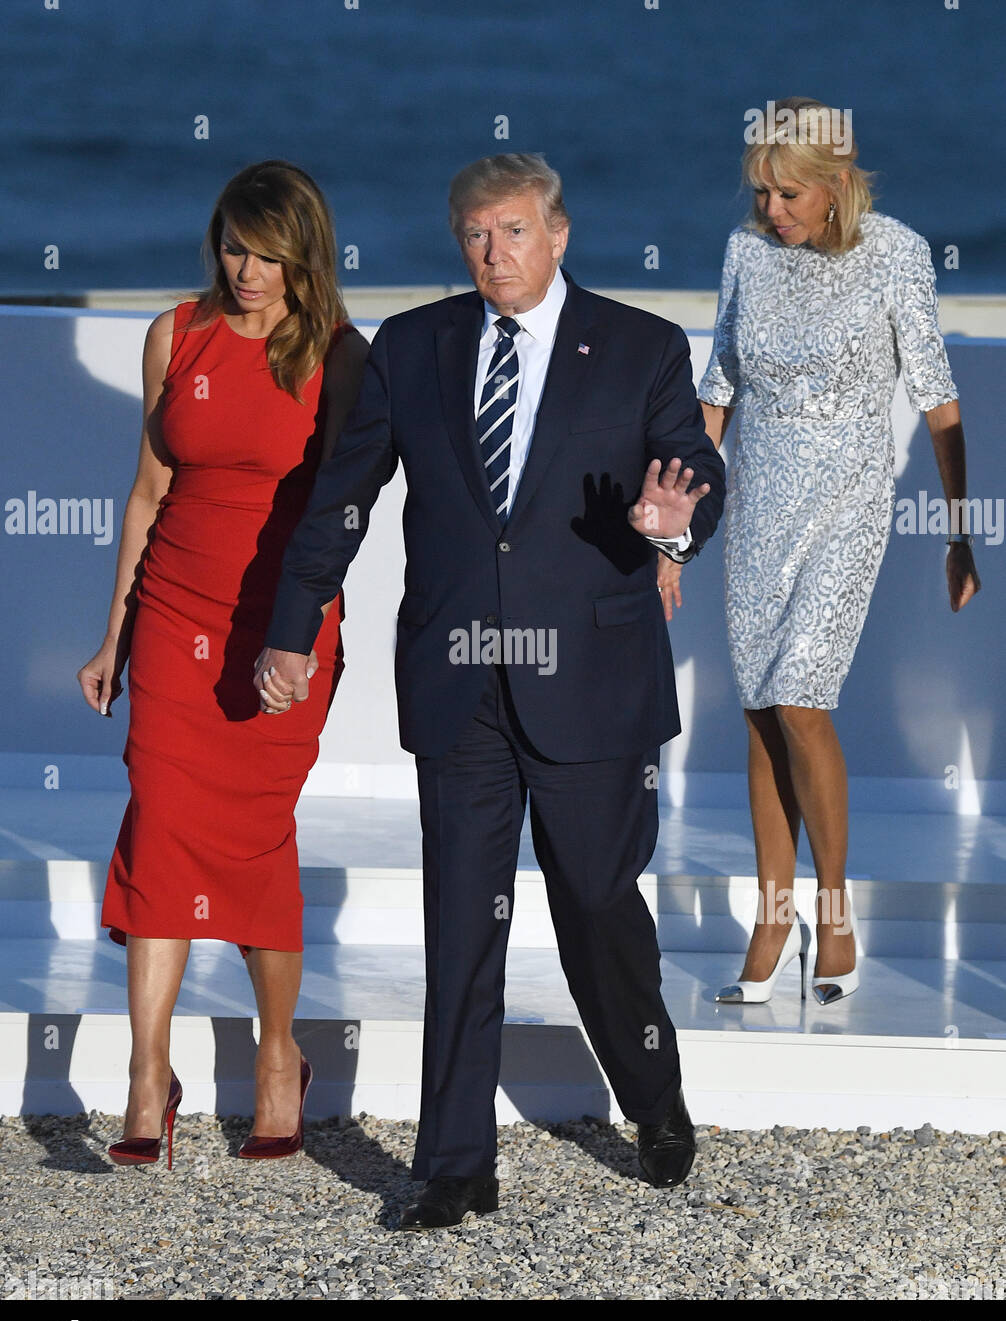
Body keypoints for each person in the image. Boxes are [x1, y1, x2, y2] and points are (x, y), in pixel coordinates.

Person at [256, 153, 725, 1228]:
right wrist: (290, 630)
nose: (492, 253)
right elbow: (341, 501)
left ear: (560, 234)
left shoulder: (642, 347)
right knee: (461, 924)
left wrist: (674, 524)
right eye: (474, 233)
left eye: (513, 231)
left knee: (598, 909)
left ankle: (652, 1096)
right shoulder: (411, 347)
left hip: (593, 682)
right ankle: (454, 1165)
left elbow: (692, 465)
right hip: (458, 679)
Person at [77, 161, 368, 1165]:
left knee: (252, 837)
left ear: (304, 255)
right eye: (235, 249)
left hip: (279, 633)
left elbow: (344, 508)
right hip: (171, 617)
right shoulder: (176, 334)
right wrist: (115, 631)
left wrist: (305, 628)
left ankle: (279, 1056)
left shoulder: (337, 353)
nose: (248, 272)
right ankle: (146, 1076)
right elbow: (149, 490)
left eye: (269, 255)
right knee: (159, 824)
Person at [659, 97, 980, 1006]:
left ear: (837, 186)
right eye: (760, 192)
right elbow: (716, 394)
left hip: (849, 508)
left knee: (800, 693)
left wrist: (961, 530)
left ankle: (833, 908)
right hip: (756, 507)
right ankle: (773, 913)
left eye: (789, 194)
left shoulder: (899, 254)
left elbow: (939, 399)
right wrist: (678, 537)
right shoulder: (744, 256)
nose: (771, 212)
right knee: (763, 710)